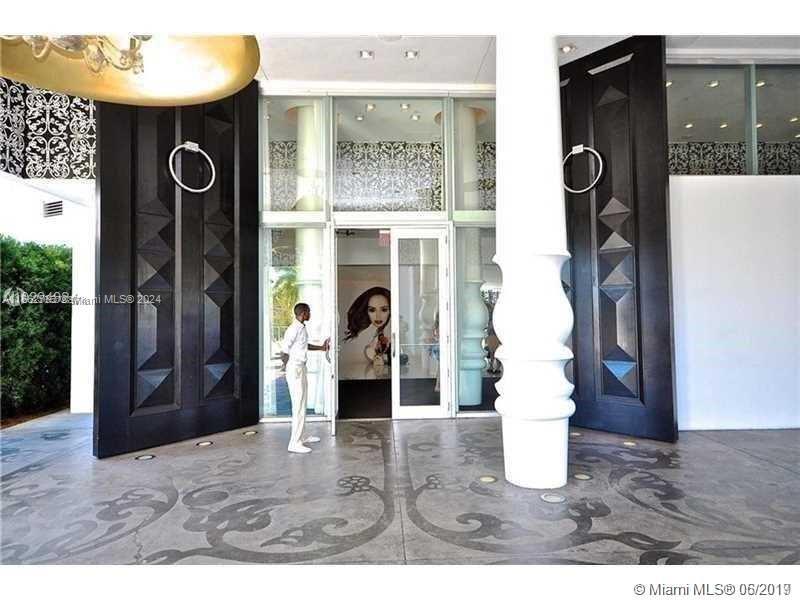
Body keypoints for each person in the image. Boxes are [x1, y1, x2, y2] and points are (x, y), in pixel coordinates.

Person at [281, 302, 330, 454]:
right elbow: (284, 351)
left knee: (302, 404)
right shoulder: (293, 329)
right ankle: (294, 443)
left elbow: (304, 346)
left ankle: (302, 437)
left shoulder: (301, 328)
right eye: (308, 312)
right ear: (303, 313)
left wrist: (321, 348)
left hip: (301, 368)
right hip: (295, 370)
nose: (310, 314)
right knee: (298, 407)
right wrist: (287, 369)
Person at [343, 287, 391, 373]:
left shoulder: (390, 332)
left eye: (384, 310)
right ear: (366, 311)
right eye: (372, 310)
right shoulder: (365, 337)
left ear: (390, 311)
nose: (378, 316)